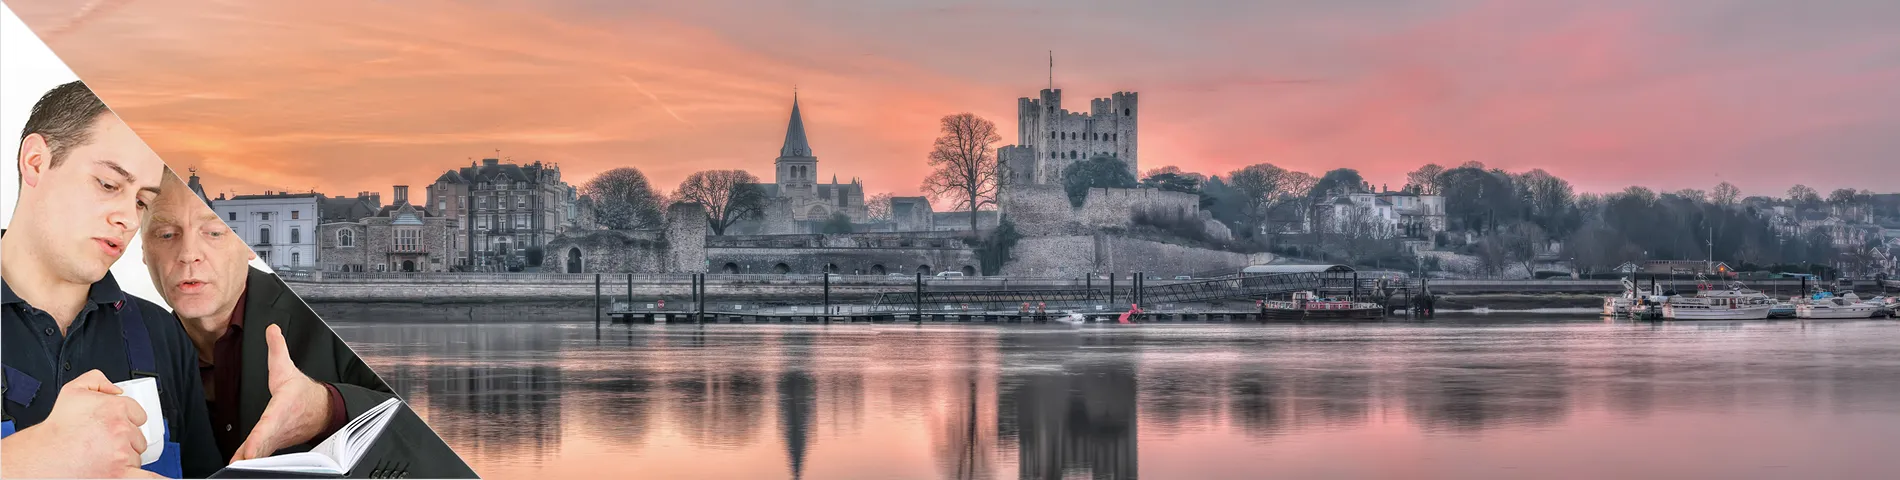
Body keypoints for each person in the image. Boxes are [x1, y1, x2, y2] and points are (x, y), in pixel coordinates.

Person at [140, 170, 477, 477]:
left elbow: (439, 446)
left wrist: (325, 410)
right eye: (166, 234)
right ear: (143, 249)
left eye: (213, 232)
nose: (188, 254)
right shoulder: (135, 346)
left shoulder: (321, 319)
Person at [1, 80, 222, 478]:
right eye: (108, 184)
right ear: (35, 162)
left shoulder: (163, 337)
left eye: (141, 201)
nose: (128, 218)